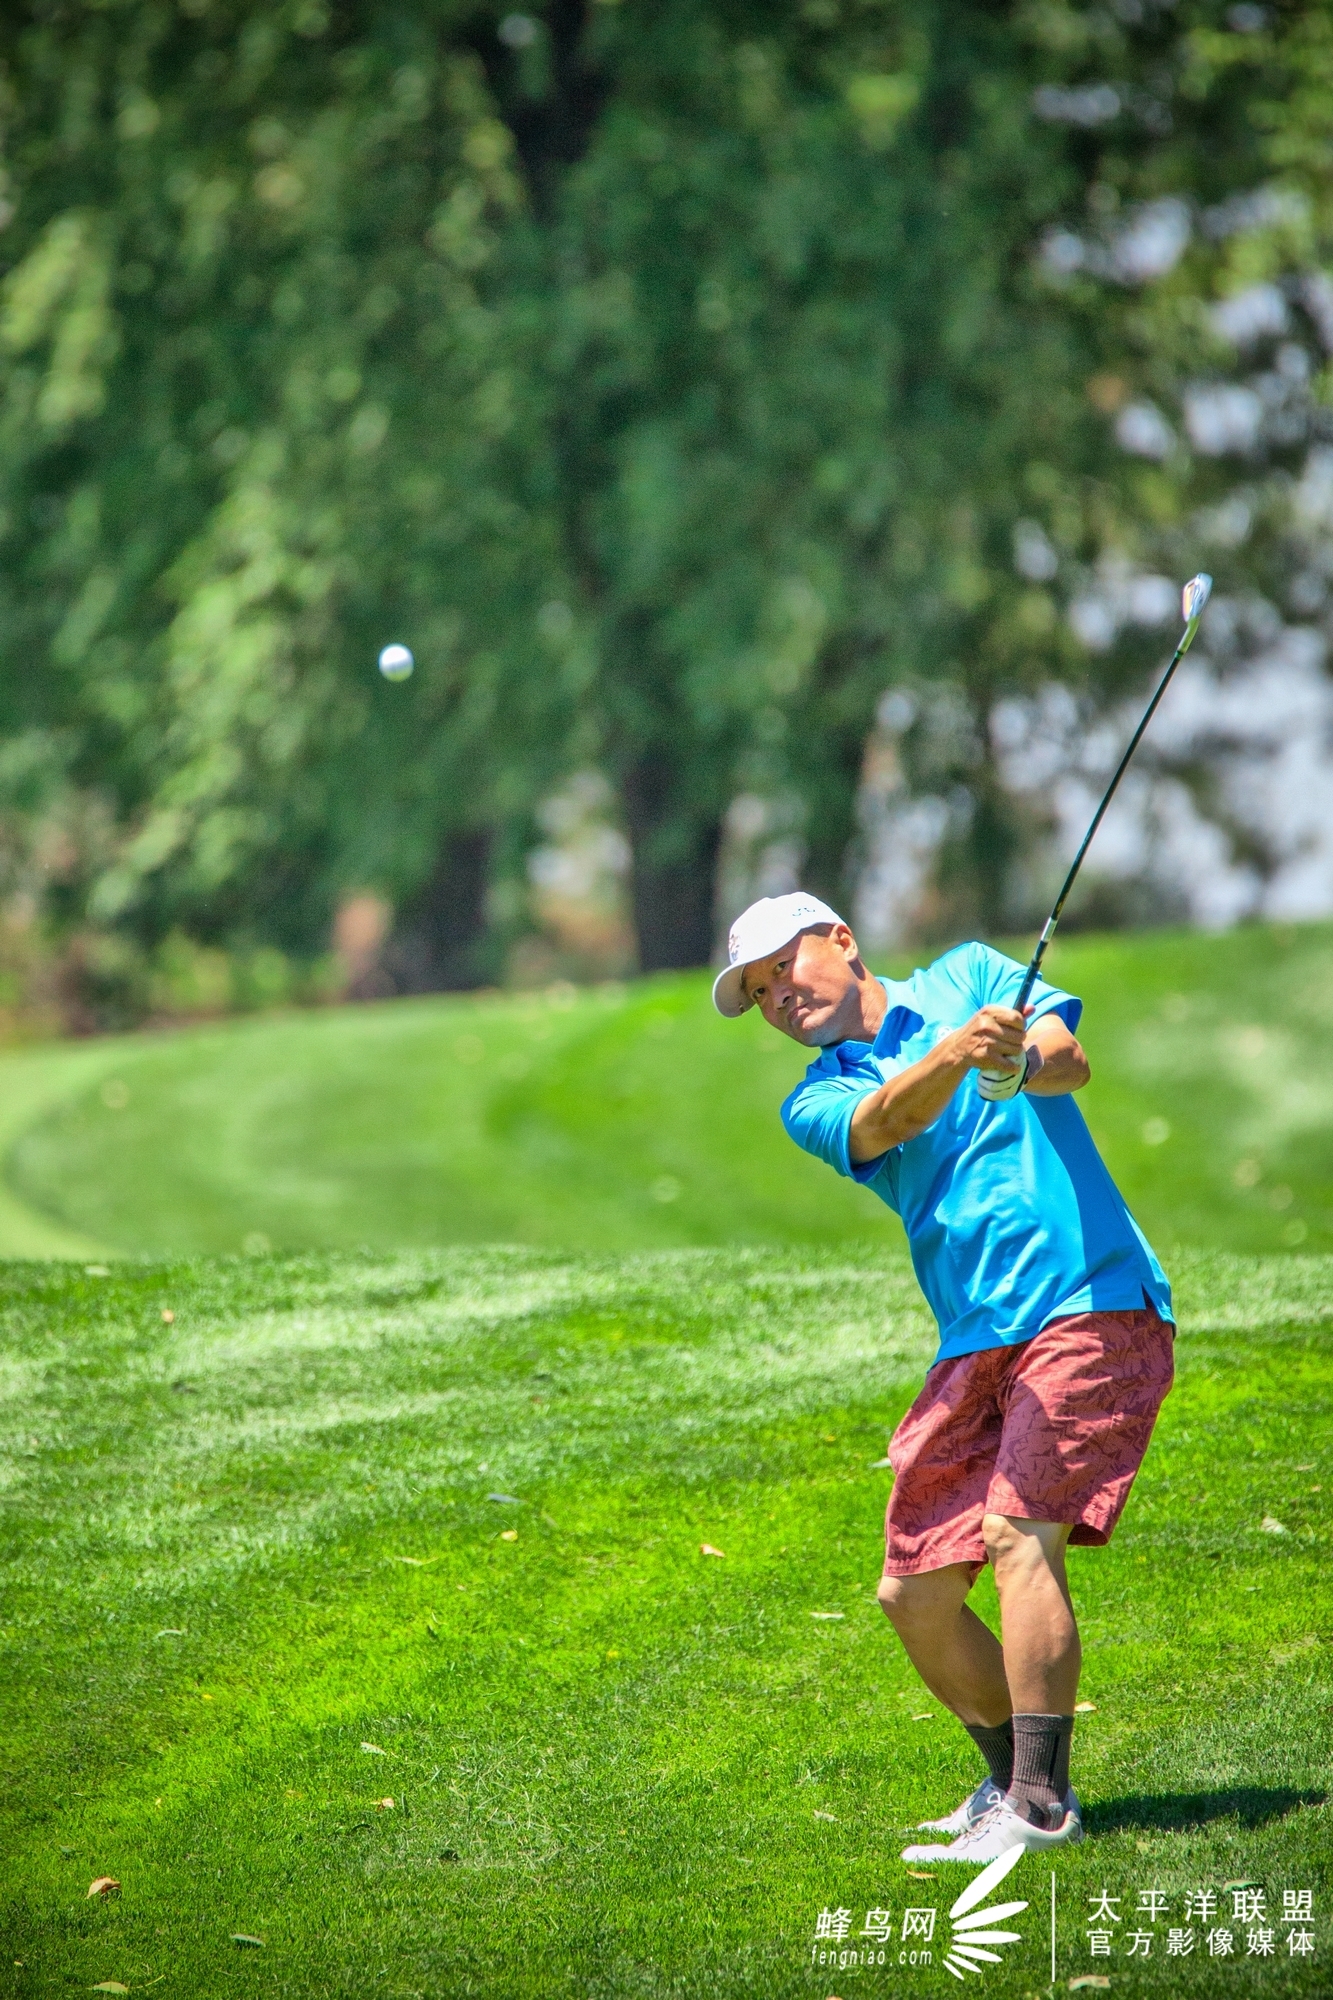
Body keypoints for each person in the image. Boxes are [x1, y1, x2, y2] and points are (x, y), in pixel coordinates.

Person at [712, 892, 1174, 1861]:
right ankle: (1009, 1777)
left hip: (1089, 1299)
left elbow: (1069, 1059)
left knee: (1014, 1531)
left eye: (781, 968)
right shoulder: (815, 1097)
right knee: (912, 1588)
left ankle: (1040, 1803)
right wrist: (961, 1054)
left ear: (840, 939)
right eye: (757, 993)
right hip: (973, 1334)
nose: (776, 997)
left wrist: (1017, 1056)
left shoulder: (970, 971)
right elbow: (889, 1115)